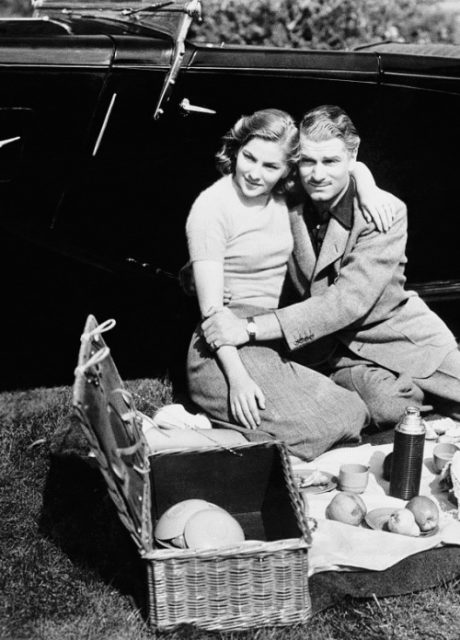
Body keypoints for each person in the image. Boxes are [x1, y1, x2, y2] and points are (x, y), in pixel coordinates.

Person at [201, 105, 460, 429]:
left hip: (399, 338)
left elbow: (345, 303)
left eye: (331, 161)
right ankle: (399, 397)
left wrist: (250, 327)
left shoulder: (384, 211)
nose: (318, 174)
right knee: (389, 411)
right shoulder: (284, 200)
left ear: (353, 157)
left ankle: (412, 391)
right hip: (329, 351)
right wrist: (203, 274)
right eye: (308, 161)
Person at [185, 108, 395, 460]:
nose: (254, 173)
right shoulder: (210, 208)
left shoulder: (279, 196)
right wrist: (238, 379)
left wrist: (369, 188)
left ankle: (249, 421)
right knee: (326, 426)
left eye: (270, 166)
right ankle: (193, 430)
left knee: (356, 410)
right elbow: (213, 317)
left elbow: (340, 162)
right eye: (248, 157)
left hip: (265, 336)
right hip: (221, 349)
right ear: (236, 150)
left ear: (287, 170)